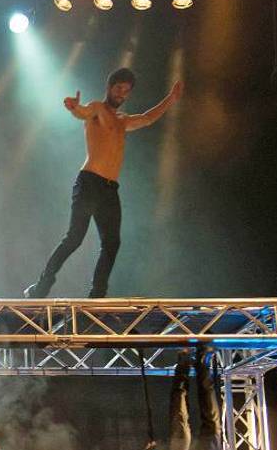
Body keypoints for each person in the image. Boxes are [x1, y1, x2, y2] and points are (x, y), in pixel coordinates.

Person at [24, 69, 183, 298]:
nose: (121, 94)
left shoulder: (123, 120)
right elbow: (83, 112)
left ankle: (97, 295)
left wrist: (171, 99)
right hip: (89, 182)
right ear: (109, 87)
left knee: (112, 243)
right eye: (118, 88)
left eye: (126, 91)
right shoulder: (97, 108)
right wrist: (73, 107)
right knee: (74, 238)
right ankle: (41, 287)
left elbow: (147, 118)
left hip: (109, 189)